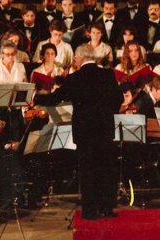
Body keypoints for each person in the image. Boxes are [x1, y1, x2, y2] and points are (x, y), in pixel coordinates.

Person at [35, 43, 123, 219]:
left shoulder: (75, 78)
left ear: (80, 58)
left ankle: (90, 211)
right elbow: (119, 99)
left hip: (85, 131)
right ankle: (107, 208)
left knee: (88, 170)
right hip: (105, 129)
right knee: (106, 169)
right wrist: (105, 113)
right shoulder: (107, 74)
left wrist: (34, 97)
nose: (74, 60)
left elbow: (55, 99)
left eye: (75, 58)